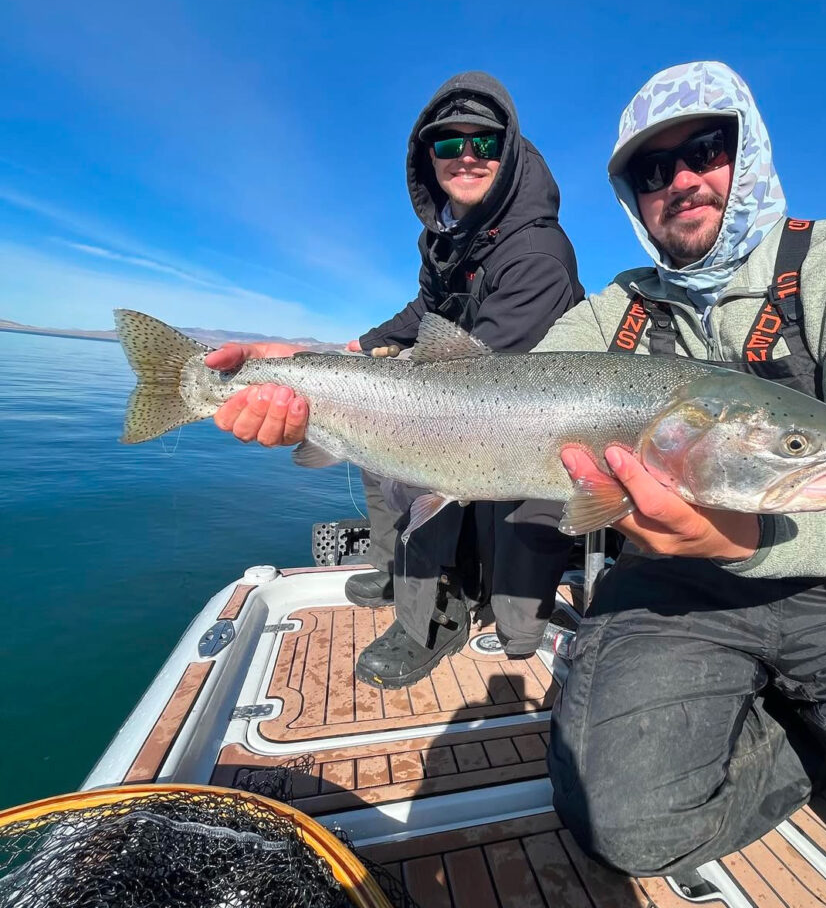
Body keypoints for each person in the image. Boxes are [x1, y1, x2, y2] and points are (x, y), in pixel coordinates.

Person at [535, 61, 826, 907]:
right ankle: (809, 738)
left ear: (749, 153)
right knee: (625, 827)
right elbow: (499, 395)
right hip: (674, 590)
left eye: (706, 149)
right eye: (651, 170)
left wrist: (747, 539)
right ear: (632, 197)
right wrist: (323, 389)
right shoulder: (613, 317)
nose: (681, 180)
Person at [208, 71, 584, 688]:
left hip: (525, 422)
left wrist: (375, 388)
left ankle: (433, 624)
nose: (466, 157)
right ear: (426, 156)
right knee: (374, 446)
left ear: (509, 151)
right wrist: (340, 354)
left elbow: (476, 387)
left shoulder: (537, 254)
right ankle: (394, 570)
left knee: (413, 456)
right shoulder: (446, 239)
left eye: (484, 143)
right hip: (465, 390)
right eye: (448, 144)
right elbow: (421, 317)